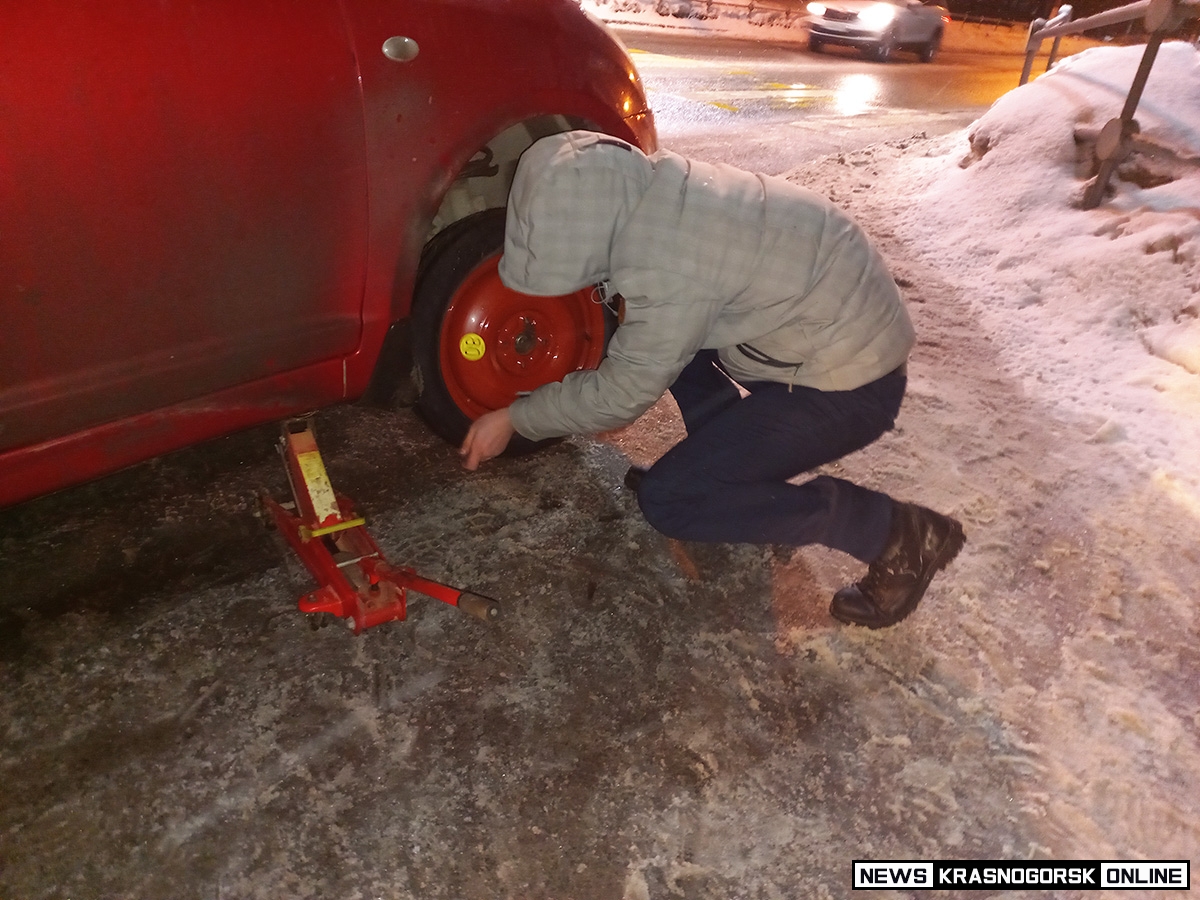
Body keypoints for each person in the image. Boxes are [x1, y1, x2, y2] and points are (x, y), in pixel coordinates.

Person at [459, 130, 964, 629]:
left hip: (852, 385)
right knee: (668, 351)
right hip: (827, 335)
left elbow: (622, 395)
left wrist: (516, 416)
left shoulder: (669, 265)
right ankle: (726, 472)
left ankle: (894, 533)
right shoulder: (659, 193)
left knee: (672, 499)